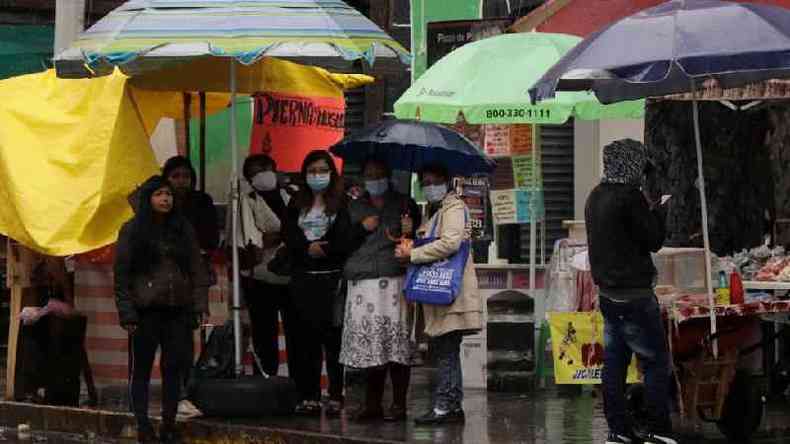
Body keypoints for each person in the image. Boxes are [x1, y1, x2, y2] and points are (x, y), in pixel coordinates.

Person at [585, 139, 674, 444]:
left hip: (608, 296)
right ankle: (658, 430)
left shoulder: (596, 196)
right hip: (636, 295)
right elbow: (652, 240)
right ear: (632, 163)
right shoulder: (628, 197)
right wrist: (660, 211)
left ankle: (619, 430)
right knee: (654, 363)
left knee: (614, 366)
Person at [114, 175, 209, 443]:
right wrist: (127, 313)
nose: (165, 199)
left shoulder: (183, 228)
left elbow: (196, 270)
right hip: (145, 312)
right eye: (159, 194)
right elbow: (121, 276)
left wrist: (198, 306)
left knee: (173, 368)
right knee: (142, 369)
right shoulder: (132, 230)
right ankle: (143, 425)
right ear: (148, 199)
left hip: (178, 310)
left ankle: (168, 424)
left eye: (168, 194)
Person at [394, 163, 482, 425]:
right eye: (425, 182)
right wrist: (411, 234)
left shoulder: (453, 208)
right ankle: (451, 405)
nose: (430, 186)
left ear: (446, 181)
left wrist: (414, 254)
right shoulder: (436, 211)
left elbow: (450, 242)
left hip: (449, 291)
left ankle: (445, 406)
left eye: (435, 181)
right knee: (446, 349)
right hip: (439, 291)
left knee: (446, 350)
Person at [339, 159, 421, 422]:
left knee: (397, 342)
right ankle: (372, 404)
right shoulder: (352, 206)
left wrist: (409, 232)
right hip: (363, 281)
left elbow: (414, 238)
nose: (375, 179)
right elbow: (341, 242)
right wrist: (361, 228)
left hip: (394, 280)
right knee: (371, 343)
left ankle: (398, 405)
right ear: (363, 178)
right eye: (370, 175)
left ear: (389, 176)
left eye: (380, 174)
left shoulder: (404, 203)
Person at [283, 150, 353, 416]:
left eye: (322, 170)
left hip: (332, 280)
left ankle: (336, 394)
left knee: (333, 341)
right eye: (312, 171)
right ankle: (308, 395)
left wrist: (325, 250)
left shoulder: (342, 203)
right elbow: (288, 234)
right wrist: (305, 248)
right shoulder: (295, 203)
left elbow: (346, 238)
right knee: (305, 342)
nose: (317, 176)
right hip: (303, 280)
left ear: (331, 173)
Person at [162, 156, 217, 414]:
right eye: (175, 176)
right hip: (164, 285)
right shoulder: (160, 207)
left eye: (185, 176)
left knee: (185, 339)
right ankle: (174, 392)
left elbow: (211, 239)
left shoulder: (201, 202)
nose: (181, 181)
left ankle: (185, 391)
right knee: (169, 341)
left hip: (192, 281)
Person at [230, 154, 291, 376]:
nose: (260, 176)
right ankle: (266, 379)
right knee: (264, 333)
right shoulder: (244, 200)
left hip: (290, 275)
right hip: (258, 277)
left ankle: (297, 387)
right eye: (254, 173)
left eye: (264, 170)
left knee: (296, 332)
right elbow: (249, 240)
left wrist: (281, 235)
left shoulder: (290, 194)